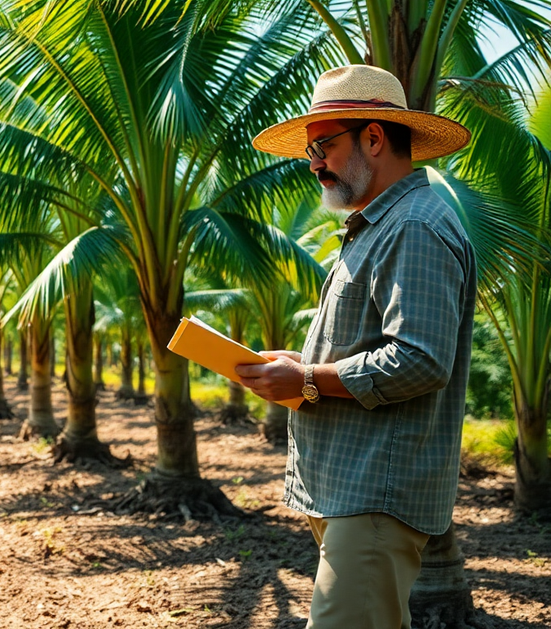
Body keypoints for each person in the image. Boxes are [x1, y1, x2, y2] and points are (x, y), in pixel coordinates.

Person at [240, 64, 477, 629]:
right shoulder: (378, 226)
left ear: (374, 137)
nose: (314, 163)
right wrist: (307, 365)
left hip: (376, 490)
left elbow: (418, 359)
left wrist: (308, 382)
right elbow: (379, 345)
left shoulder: (413, 225)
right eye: (310, 151)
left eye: (323, 145)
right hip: (352, 485)